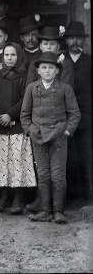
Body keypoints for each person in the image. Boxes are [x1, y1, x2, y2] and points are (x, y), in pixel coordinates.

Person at [21, 51, 81, 224]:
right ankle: (45, 210)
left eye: (51, 68)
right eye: (44, 68)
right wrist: (29, 130)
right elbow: (24, 114)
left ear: (57, 71)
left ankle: (59, 211)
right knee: (43, 175)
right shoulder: (32, 88)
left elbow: (74, 114)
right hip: (38, 136)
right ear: (38, 71)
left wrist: (67, 131)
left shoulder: (64, 89)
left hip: (58, 136)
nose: (47, 71)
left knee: (58, 175)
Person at [0, 42, 35, 214]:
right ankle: (3, 196)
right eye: (6, 55)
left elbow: (25, 99)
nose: (10, 58)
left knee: (17, 161)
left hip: (18, 126)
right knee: (0, 162)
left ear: (19, 56)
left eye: (13, 55)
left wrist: (11, 115)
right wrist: (0, 115)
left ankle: (18, 198)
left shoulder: (25, 75)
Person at [63, 21, 92, 203]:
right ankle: (68, 196)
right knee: (66, 157)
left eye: (78, 38)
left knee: (84, 155)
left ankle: (86, 196)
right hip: (63, 116)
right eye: (71, 38)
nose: (75, 42)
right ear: (66, 40)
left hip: (86, 116)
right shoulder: (59, 60)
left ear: (83, 40)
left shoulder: (89, 61)